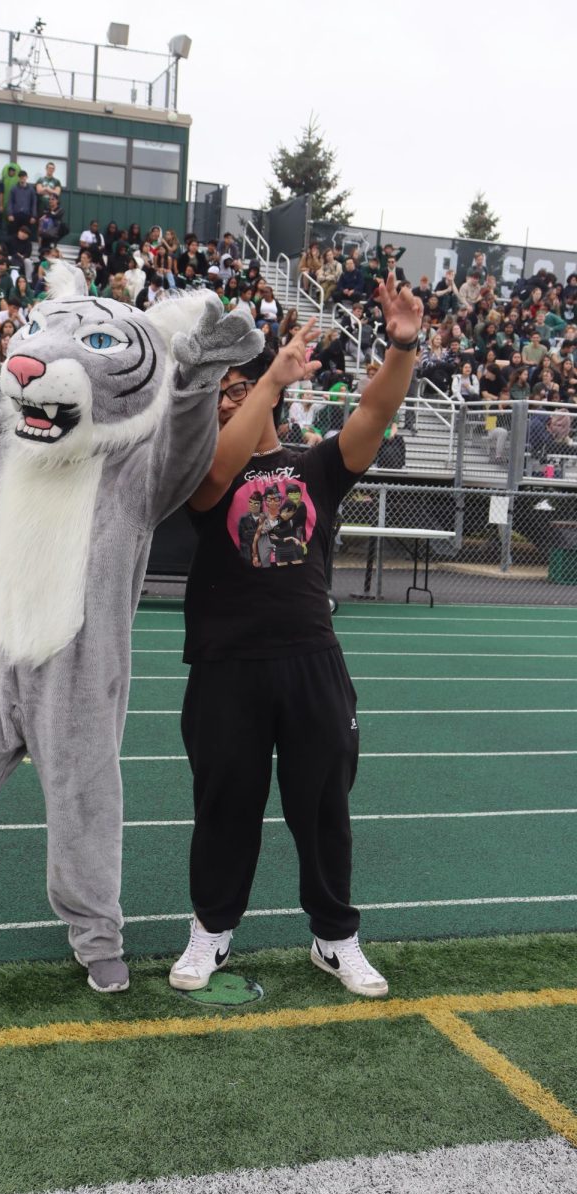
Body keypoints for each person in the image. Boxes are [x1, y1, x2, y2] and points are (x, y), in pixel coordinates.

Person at [169, 274, 423, 998]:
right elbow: (220, 474)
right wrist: (268, 385)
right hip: (226, 665)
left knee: (323, 807)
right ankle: (212, 929)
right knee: (225, 804)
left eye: (236, 389)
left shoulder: (314, 465)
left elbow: (374, 413)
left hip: (312, 659)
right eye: (223, 393)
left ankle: (335, 937)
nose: (229, 400)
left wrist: (402, 346)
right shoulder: (199, 469)